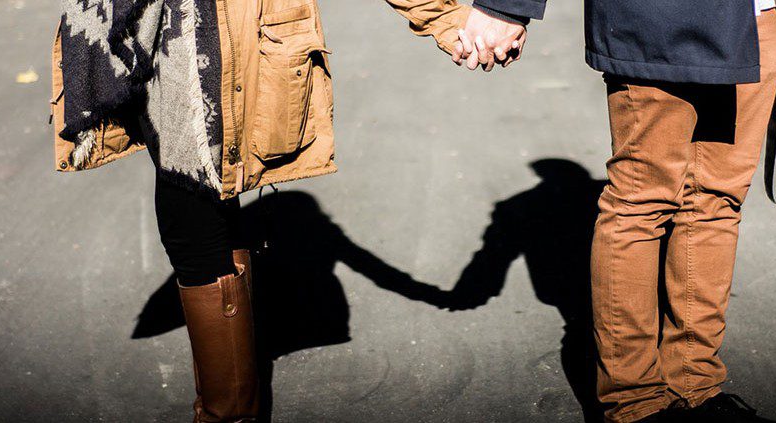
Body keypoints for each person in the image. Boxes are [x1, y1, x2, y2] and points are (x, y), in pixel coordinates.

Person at [50, 0, 468, 421]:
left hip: (211, 47)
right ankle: (229, 404)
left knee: (193, 219)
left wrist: (447, 21)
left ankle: (227, 413)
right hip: (157, 37)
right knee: (203, 212)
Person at [451, 0, 776, 422]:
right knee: (640, 204)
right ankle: (635, 402)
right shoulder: (523, 203)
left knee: (717, 201)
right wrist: (505, 8)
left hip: (757, 16)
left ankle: (695, 386)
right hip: (661, 17)